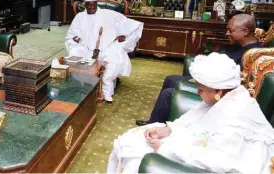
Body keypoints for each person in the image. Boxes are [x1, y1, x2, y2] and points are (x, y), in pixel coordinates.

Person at [107, 53, 274, 173]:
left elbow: (220, 162)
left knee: (135, 160)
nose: (198, 93)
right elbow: (198, 114)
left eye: (200, 89)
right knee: (130, 142)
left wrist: (165, 147)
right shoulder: (227, 96)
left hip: (223, 165)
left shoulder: (236, 118)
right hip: (206, 147)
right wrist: (169, 130)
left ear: (218, 90)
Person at [136, 14, 262, 126]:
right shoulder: (240, 46)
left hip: (217, 90)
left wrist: (202, 81)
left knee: (168, 93)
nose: (227, 34)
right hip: (210, 81)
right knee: (170, 79)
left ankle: (154, 125)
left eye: (230, 30)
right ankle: (156, 121)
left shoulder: (252, 55)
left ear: (245, 31)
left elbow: (233, 81)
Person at [65, 0, 143, 102]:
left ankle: (106, 92)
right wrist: (78, 39)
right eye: (89, 4)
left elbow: (123, 23)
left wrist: (121, 35)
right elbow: (72, 34)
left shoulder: (107, 14)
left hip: (106, 47)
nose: (91, 6)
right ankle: (82, 87)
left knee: (114, 58)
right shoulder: (79, 17)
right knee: (75, 53)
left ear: (96, 4)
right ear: (85, 5)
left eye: (93, 4)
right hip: (85, 48)